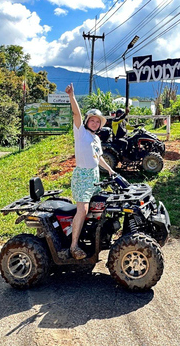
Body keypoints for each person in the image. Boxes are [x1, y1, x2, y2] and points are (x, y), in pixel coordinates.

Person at [65, 83, 118, 260]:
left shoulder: (96, 138)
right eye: (92, 120)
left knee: (99, 207)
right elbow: (76, 114)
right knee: (83, 209)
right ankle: (73, 246)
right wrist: (72, 96)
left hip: (95, 176)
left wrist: (110, 170)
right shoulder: (81, 133)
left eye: (98, 121)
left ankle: (95, 238)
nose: (95, 123)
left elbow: (99, 158)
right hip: (82, 176)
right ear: (87, 121)